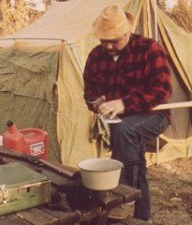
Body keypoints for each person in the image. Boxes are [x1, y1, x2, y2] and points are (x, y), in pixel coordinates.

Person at [83, 4, 172, 222]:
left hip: (154, 114)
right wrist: (96, 102)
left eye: (115, 40)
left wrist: (124, 103)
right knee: (135, 161)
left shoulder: (150, 49)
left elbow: (162, 90)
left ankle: (123, 196)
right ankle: (143, 218)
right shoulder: (95, 56)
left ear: (127, 32)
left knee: (125, 130)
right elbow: (89, 93)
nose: (110, 46)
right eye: (105, 41)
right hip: (120, 122)